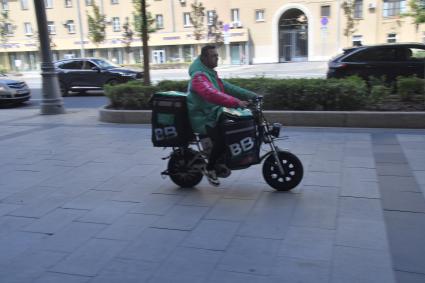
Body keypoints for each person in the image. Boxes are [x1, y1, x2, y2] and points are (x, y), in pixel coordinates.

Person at [187, 45, 257, 186]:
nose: (217, 57)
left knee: (233, 128)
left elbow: (228, 87)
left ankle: (222, 161)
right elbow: (210, 94)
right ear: (204, 58)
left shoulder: (209, 73)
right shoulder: (199, 77)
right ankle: (211, 168)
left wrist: (252, 96)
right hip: (203, 117)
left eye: (217, 55)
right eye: (213, 55)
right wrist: (236, 102)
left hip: (213, 113)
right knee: (223, 139)